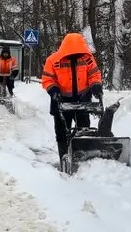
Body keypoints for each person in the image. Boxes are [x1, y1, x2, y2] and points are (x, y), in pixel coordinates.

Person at [41, 32, 103, 160]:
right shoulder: (53, 60)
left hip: (83, 100)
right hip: (60, 101)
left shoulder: (87, 58)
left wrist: (96, 86)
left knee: (84, 131)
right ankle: (64, 156)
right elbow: (47, 79)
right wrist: (53, 91)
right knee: (62, 132)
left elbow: (94, 75)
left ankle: (84, 157)